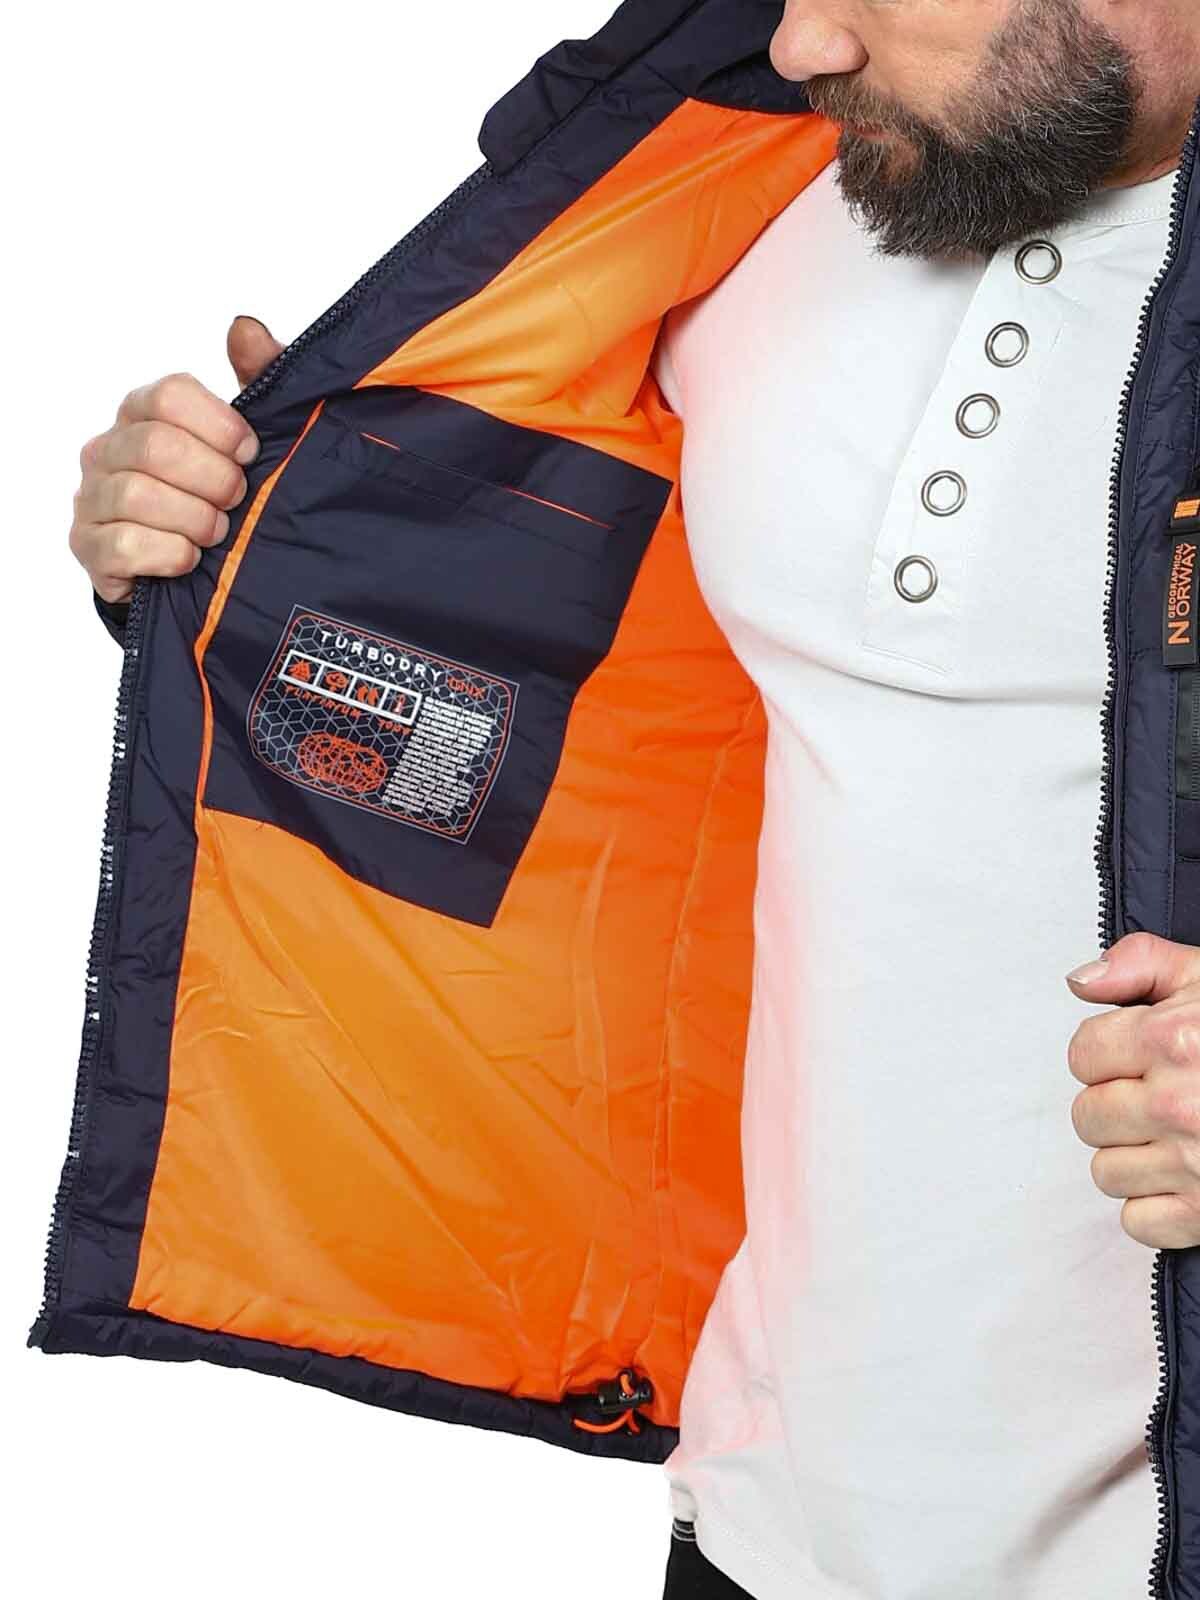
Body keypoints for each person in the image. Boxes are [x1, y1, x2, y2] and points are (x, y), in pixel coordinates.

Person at [64, 3, 1200, 1598]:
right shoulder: (752, 179)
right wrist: (227, 540)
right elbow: (504, 608)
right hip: (762, 1522)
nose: (800, 41)